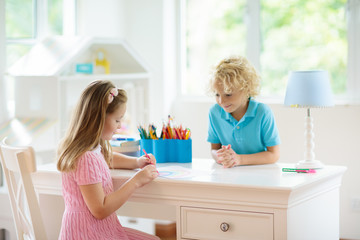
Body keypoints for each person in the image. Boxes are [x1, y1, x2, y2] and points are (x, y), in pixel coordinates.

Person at [57, 80, 160, 240]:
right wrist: (136, 181)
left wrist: (136, 162)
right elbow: (100, 209)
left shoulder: (90, 149)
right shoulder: (85, 158)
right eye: (117, 120)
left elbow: (106, 158)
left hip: (98, 229)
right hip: (87, 234)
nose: (119, 126)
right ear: (98, 119)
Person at [207, 56, 280, 168]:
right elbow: (214, 149)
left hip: (260, 174)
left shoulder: (263, 112)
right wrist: (221, 157)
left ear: (246, 89)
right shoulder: (214, 113)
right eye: (217, 94)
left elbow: (274, 155)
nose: (221, 101)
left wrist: (239, 159)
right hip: (229, 174)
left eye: (228, 94)